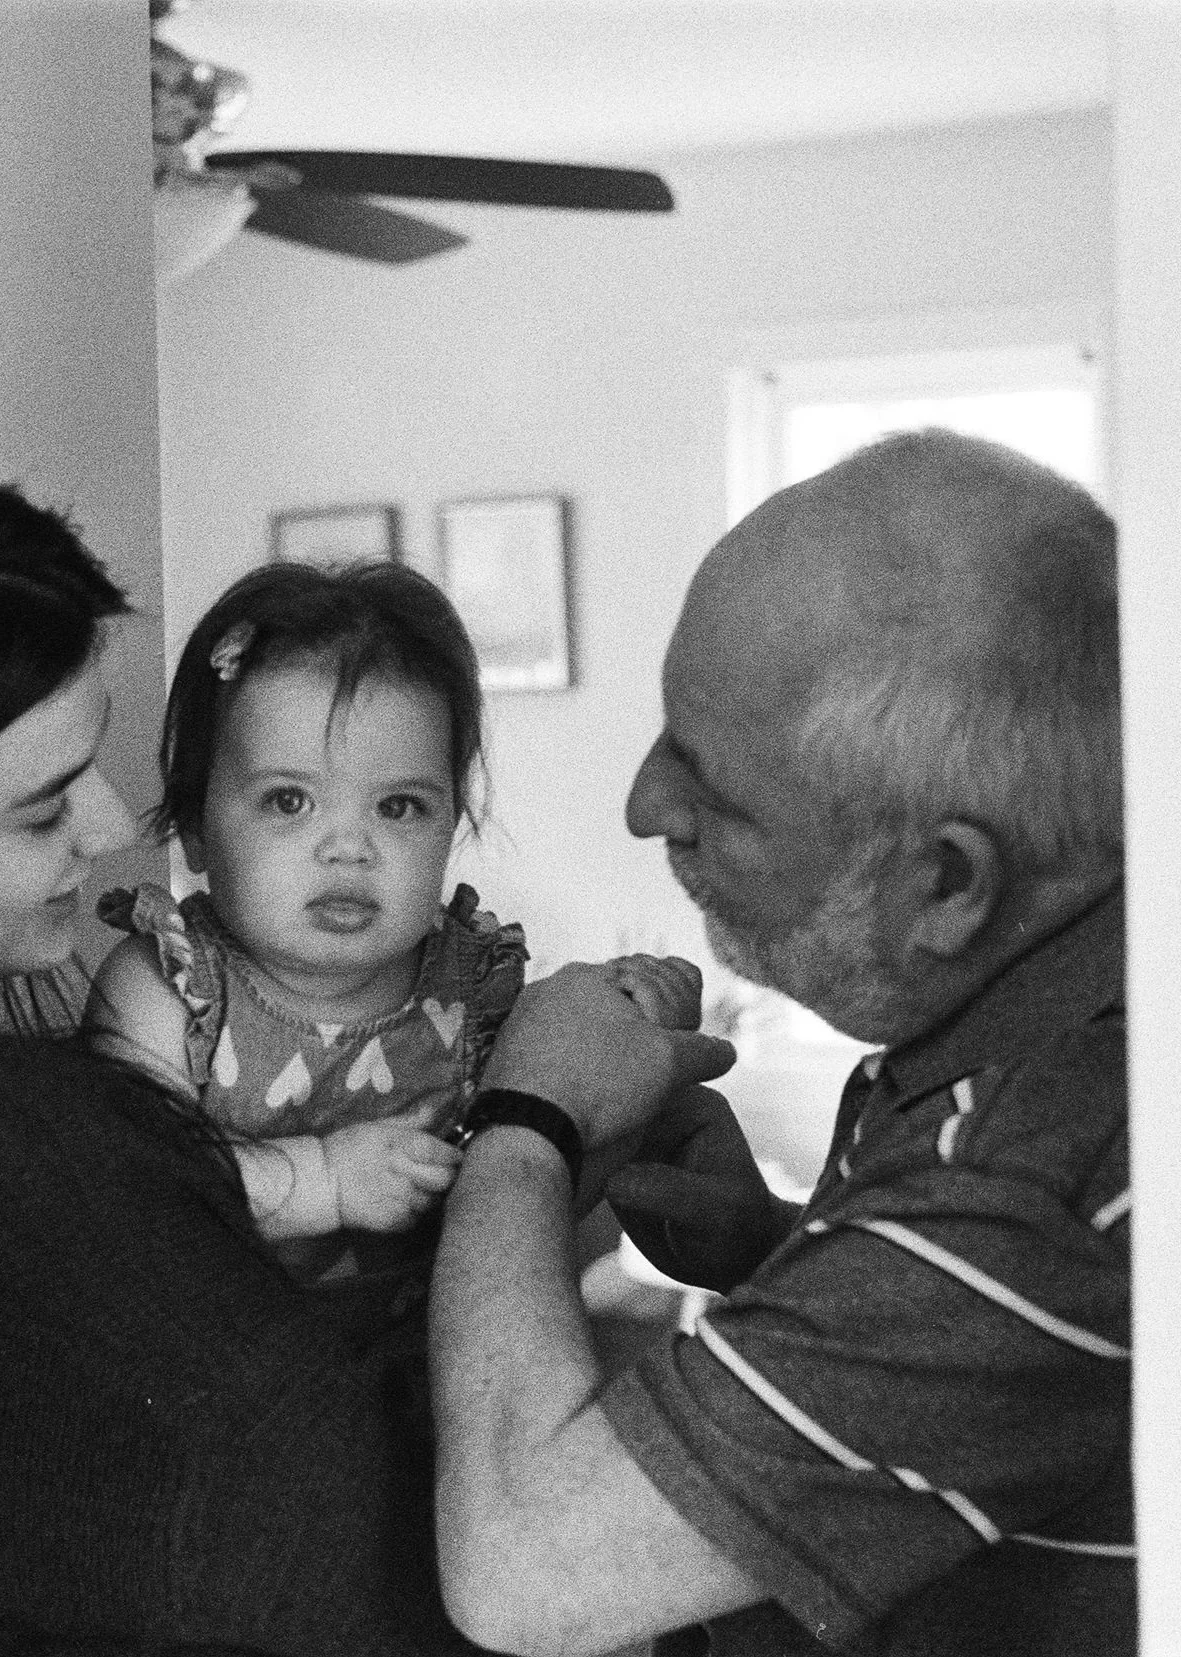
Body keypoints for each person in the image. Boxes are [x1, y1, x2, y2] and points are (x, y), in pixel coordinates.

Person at [0, 455, 736, 1657]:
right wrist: (532, 1124)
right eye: (43, 802)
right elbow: (448, 1572)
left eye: (402, 805)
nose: (117, 823)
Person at [429, 428, 1130, 1656]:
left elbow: (522, 1567)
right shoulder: (1051, 1031)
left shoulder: (1028, 1176)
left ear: (945, 882)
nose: (644, 806)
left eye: (711, 785)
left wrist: (521, 1116)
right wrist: (783, 1251)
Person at [83, 563, 525, 1319]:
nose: (350, 846)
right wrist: (323, 1180)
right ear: (194, 825)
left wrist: (621, 1015)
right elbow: (125, 1188)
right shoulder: (170, 988)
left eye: (399, 805)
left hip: (428, 1362)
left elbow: (545, 1135)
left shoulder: (472, 985)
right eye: (289, 800)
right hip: (210, 1366)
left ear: (450, 825)